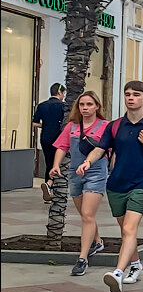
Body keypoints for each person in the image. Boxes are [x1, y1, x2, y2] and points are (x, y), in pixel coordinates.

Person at [81, 81, 143, 292]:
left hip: (140, 184)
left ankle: (118, 273)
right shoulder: (115, 126)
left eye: (136, 95)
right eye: (128, 94)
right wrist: (88, 162)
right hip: (116, 185)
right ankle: (136, 264)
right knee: (125, 230)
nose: (131, 98)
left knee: (129, 229)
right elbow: (100, 149)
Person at [49, 91, 109, 276]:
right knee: (85, 214)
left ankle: (82, 259)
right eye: (82, 105)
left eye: (89, 104)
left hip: (96, 173)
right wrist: (56, 165)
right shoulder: (72, 127)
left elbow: (111, 149)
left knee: (87, 214)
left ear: (97, 106)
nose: (85, 108)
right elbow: (62, 146)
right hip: (75, 174)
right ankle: (97, 241)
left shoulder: (105, 126)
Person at [33, 82, 67, 202]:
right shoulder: (64, 106)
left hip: (45, 138)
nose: (63, 96)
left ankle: (48, 186)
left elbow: (35, 123)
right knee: (58, 164)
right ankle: (53, 187)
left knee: (49, 163)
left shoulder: (42, 105)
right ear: (60, 92)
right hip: (60, 139)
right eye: (63, 93)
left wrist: (45, 125)